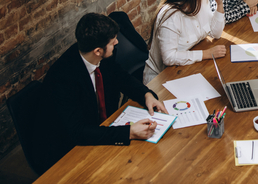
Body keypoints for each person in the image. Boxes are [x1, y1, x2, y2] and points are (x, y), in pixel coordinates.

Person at [36, 13, 168, 173]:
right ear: (98, 51)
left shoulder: (101, 56)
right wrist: (129, 132)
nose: (117, 42)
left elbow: (120, 76)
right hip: (74, 148)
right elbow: (78, 132)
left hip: (105, 127)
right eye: (113, 42)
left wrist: (146, 94)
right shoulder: (62, 79)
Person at [143, 0, 225, 84]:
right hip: (162, 79)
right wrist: (205, 54)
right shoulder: (171, 16)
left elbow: (216, 33)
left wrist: (219, 4)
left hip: (187, 67)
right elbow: (169, 58)